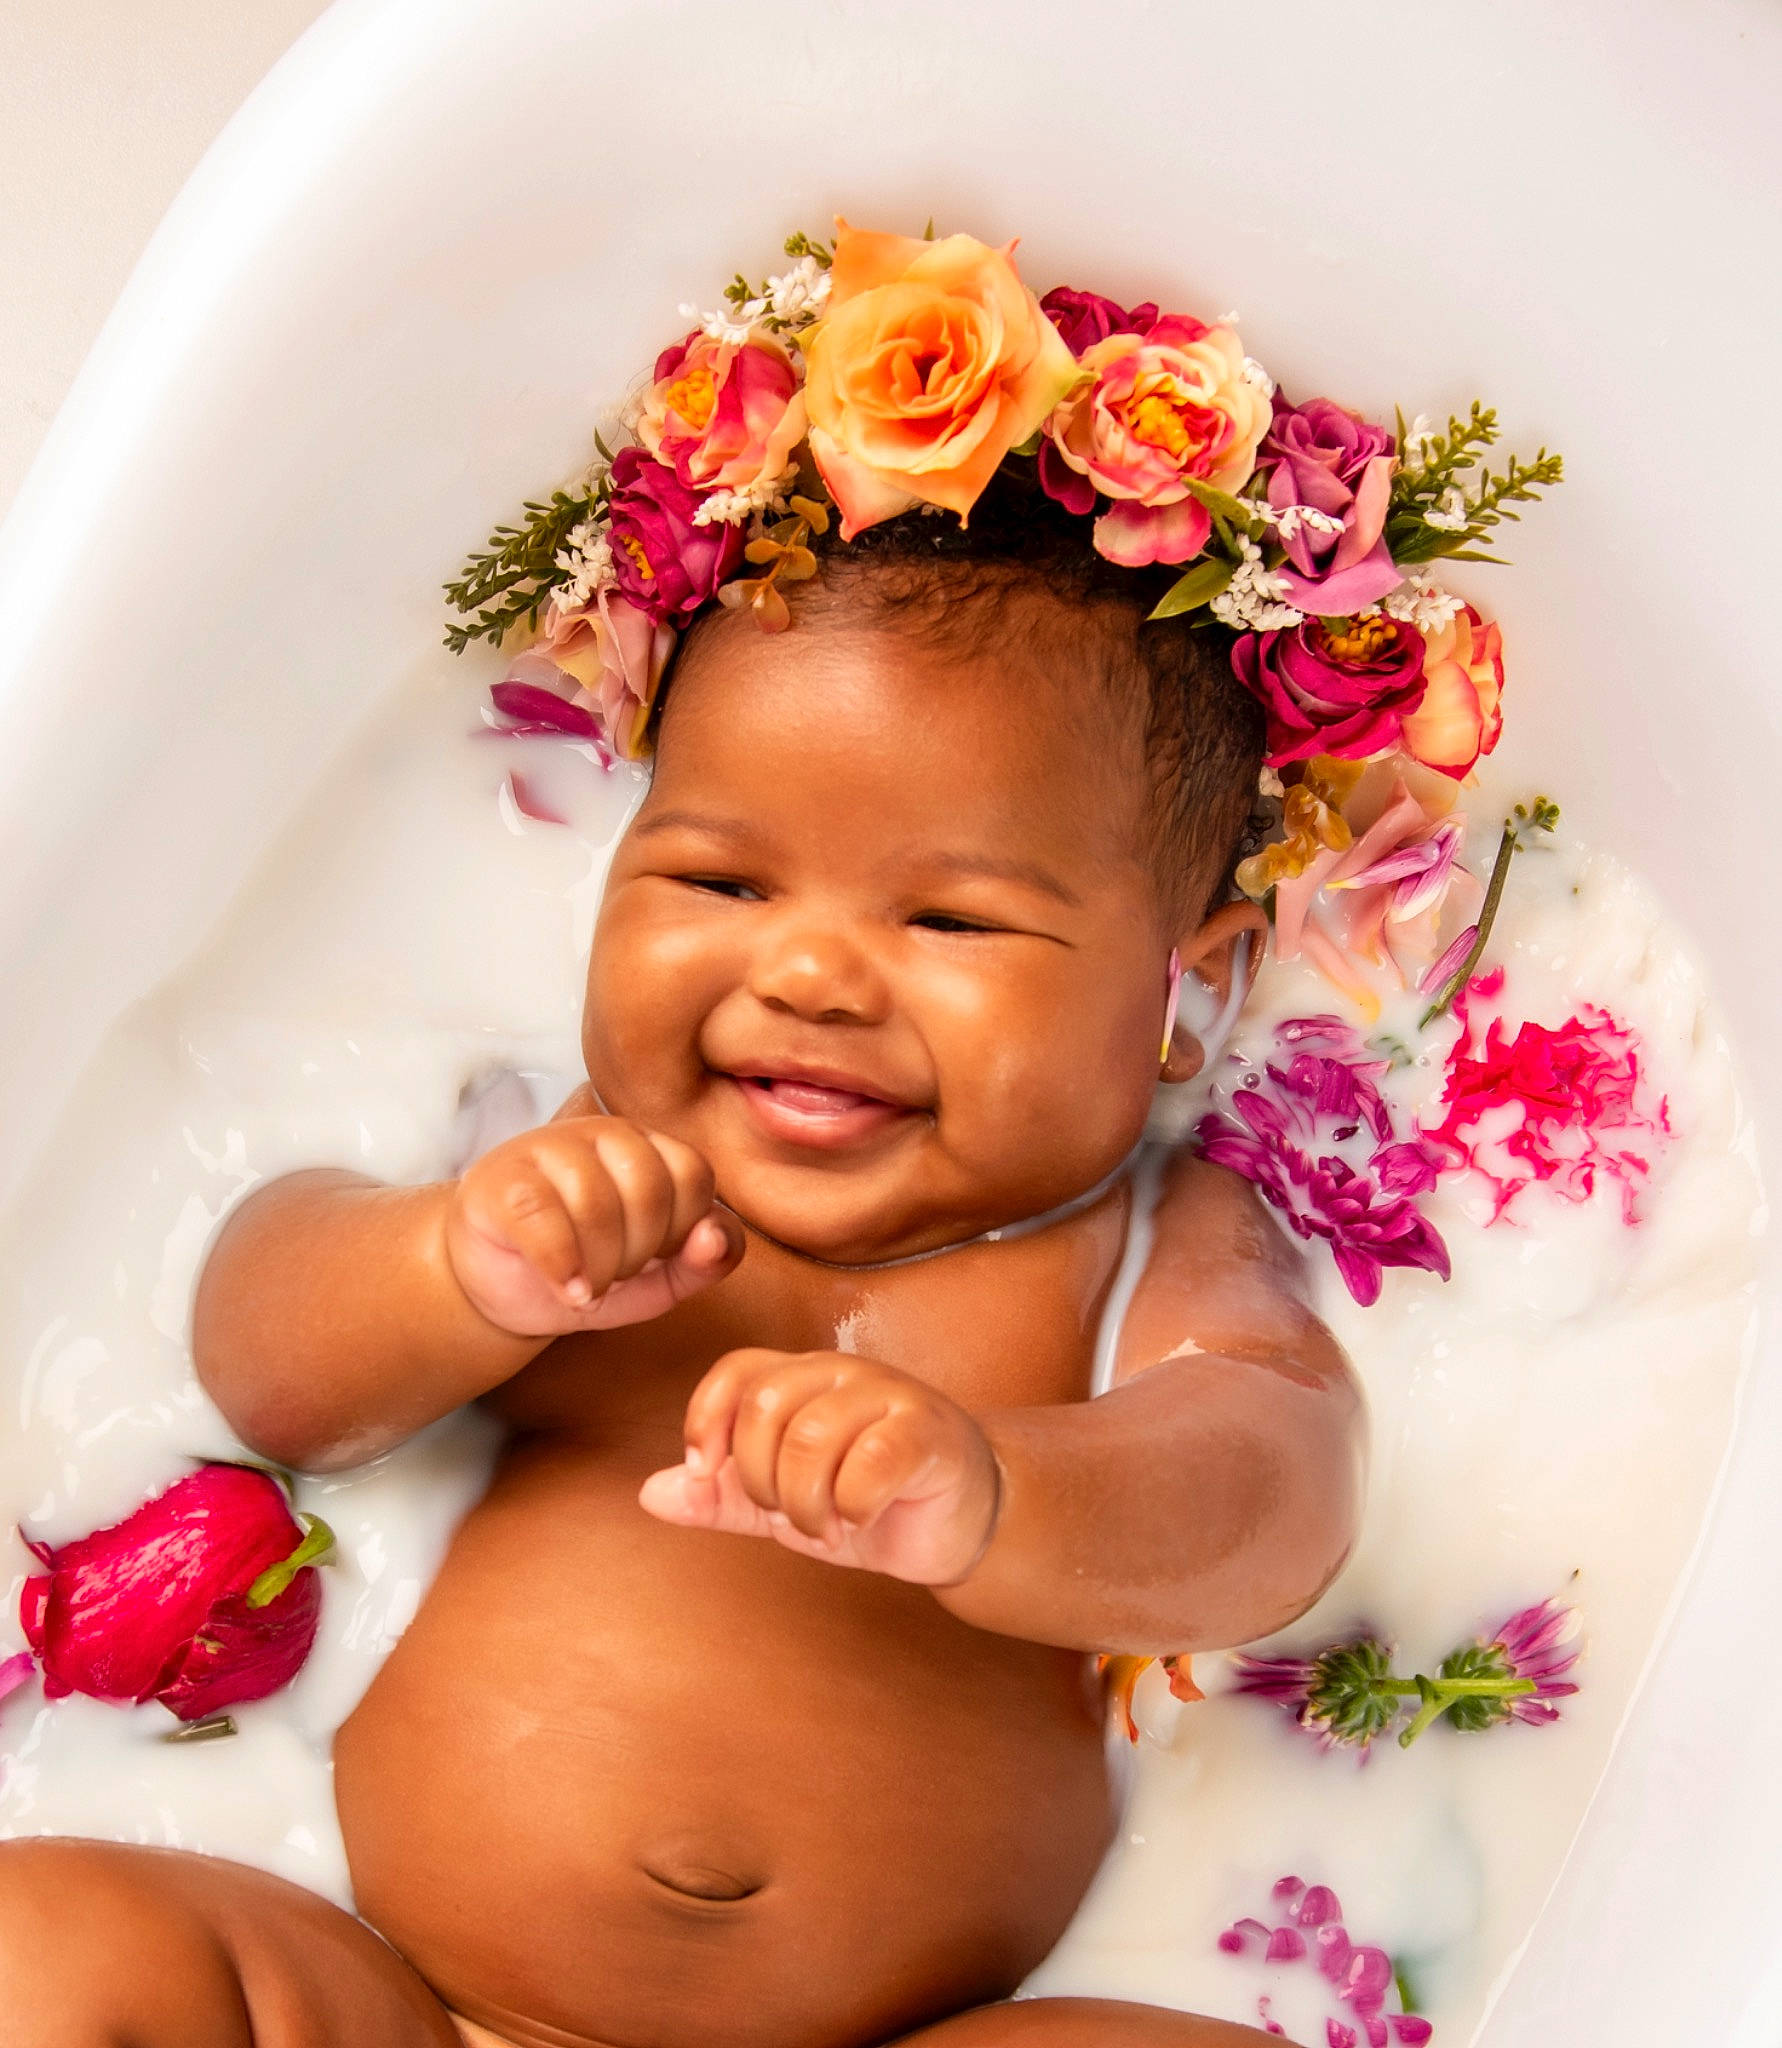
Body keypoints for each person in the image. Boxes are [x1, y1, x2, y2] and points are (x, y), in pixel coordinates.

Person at [0, 465, 1363, 2048]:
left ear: (1192, 995)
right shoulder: (557, 1164)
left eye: (950, 923)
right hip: (398, 2005)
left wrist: (1000, 1493)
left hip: (905, 2034)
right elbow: (272, 1371)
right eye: (719, 881)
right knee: (39, 1952)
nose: (808, 973)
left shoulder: (1144, 1250)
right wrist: (452, 1270)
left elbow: (1271, 1498)